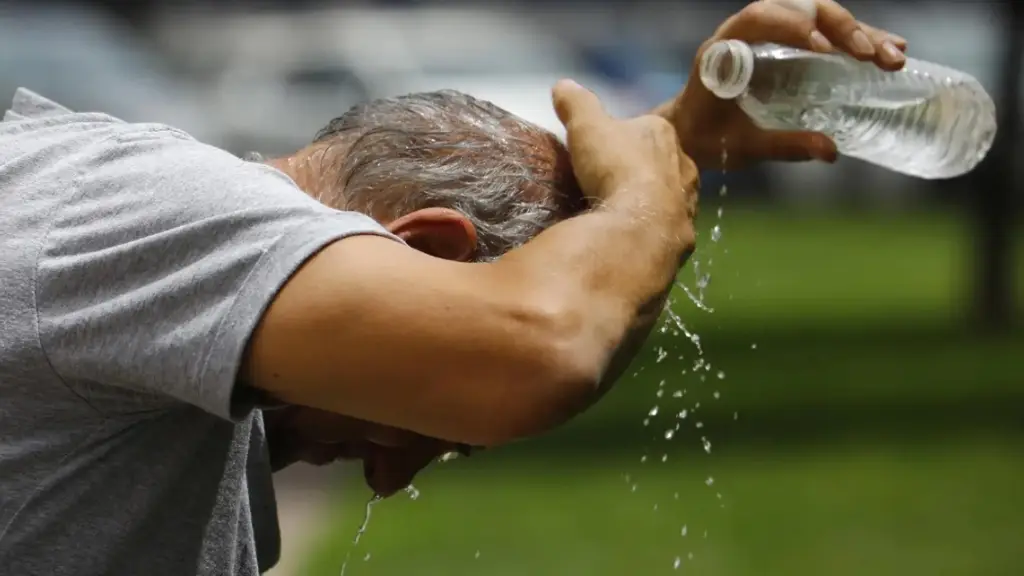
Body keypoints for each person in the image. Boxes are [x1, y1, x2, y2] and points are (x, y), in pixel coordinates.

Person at [0, 1, 905, 574]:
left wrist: (665, 142)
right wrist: (643, 197)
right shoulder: (164, 209)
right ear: (425, 248)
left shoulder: (162, 288)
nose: (392, 475)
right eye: (437, 428)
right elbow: (534, 351)